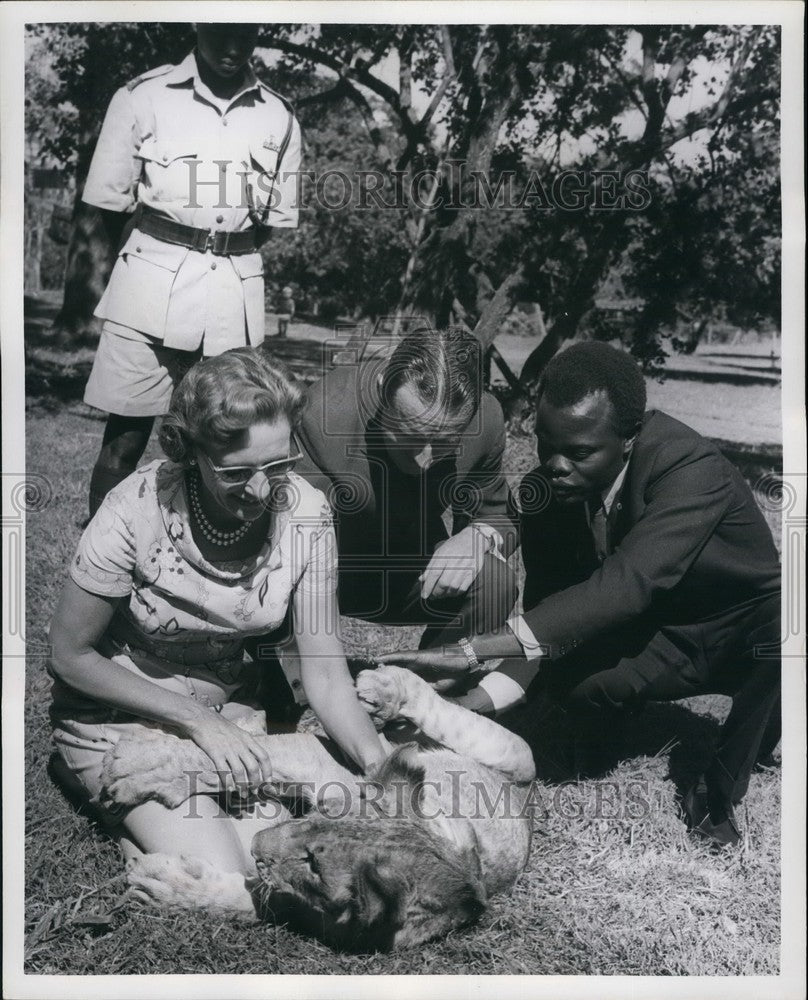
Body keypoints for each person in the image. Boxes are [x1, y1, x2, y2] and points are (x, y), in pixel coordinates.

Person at [381, 342, 781, 848]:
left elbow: (628, 585)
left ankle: (718, 789)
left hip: (741, 629)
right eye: (546, 444)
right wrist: (470, 704)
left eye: (579, 452)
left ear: (630, 438)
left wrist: (470, 650)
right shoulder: (548, 492)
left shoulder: (689, 466)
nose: (555, 464)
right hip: (661, 632)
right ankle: (614, 718)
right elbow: (551, 619)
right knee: (574, 684)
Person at [48, 348, 386, 879]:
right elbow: (69, 655)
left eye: (278, 465)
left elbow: (324, 673)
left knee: (271, 860)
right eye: (236, 473)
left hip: (225, 712)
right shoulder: (134, 507)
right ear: (189, 450)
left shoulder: (307, 513)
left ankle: (137, 811)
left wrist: (378, 764)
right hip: (118, 711)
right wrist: (195, 720)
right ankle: (91, 777)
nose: (261, 490)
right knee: (222, 875)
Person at [80, 23, 302, 516]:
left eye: (246, 33)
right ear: (198, 24)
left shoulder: (280, 116)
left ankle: (204, 554)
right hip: (147, 291)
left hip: (232, 298)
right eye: (222, 30)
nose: (233, 46)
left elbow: (270, 222)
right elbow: (108, 203)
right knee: (126, 436)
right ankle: (102, 563)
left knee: (226, 438)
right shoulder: (143, 97)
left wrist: (220, 249)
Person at [254, 328, 520, 715]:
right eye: (410, 436)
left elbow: (498, 514)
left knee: (496, 581)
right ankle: (288, 695)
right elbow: (275, 545)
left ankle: (427, 693)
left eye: (445, 442)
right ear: (382, 389)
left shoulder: (487, 419)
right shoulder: (321, 413)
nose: (426, 459)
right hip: (314, 576)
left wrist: (478, 536)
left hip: (408, 574)